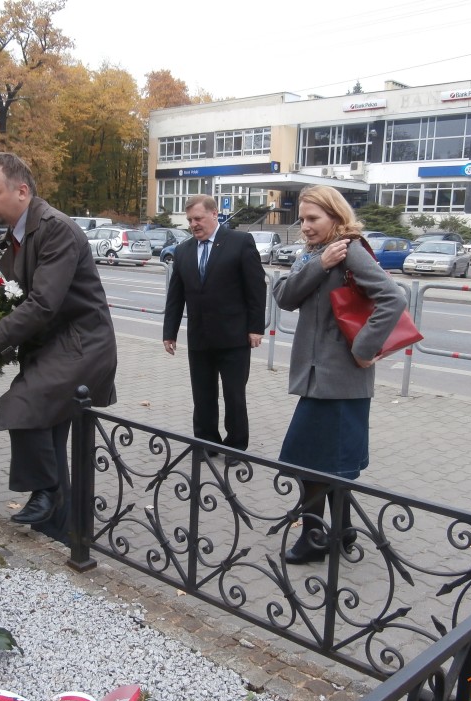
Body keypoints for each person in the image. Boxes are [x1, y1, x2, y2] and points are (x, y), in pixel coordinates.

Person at [0, 152, 117, 533]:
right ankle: (62, 531)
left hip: (81, 346)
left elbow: (42, 304)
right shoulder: (17, 235)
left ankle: (47, 495)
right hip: (53, 346)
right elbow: (15, 300)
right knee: (46, 435)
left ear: (21, 191)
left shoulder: (56, 229)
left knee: (21, 403)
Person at [274, 185, 406, 565]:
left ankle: (314, 538)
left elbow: (393, 298)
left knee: (311, 463)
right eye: (302, 219)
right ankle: (341, 532)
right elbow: (284, 297)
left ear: (335, 216)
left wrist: (363, 349)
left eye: (313, 218)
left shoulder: (352, 250)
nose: (305, 226)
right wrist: (319, 265)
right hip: (318, 378)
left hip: (340, 382)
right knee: (324, 464)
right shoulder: (315, 253)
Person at [162, 195, 266, 453]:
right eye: (189, 220)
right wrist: (169, 332)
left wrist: (256, 328)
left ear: (214, 214)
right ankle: (206, 443)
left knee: (234, 396)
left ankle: (235, 446)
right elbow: (175, 296)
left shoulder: (240, 242)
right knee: (202, 395)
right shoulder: (183, 250)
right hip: (199, 337)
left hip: (234, 337)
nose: (193, 224)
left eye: (198, 218)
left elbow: (256, 289)